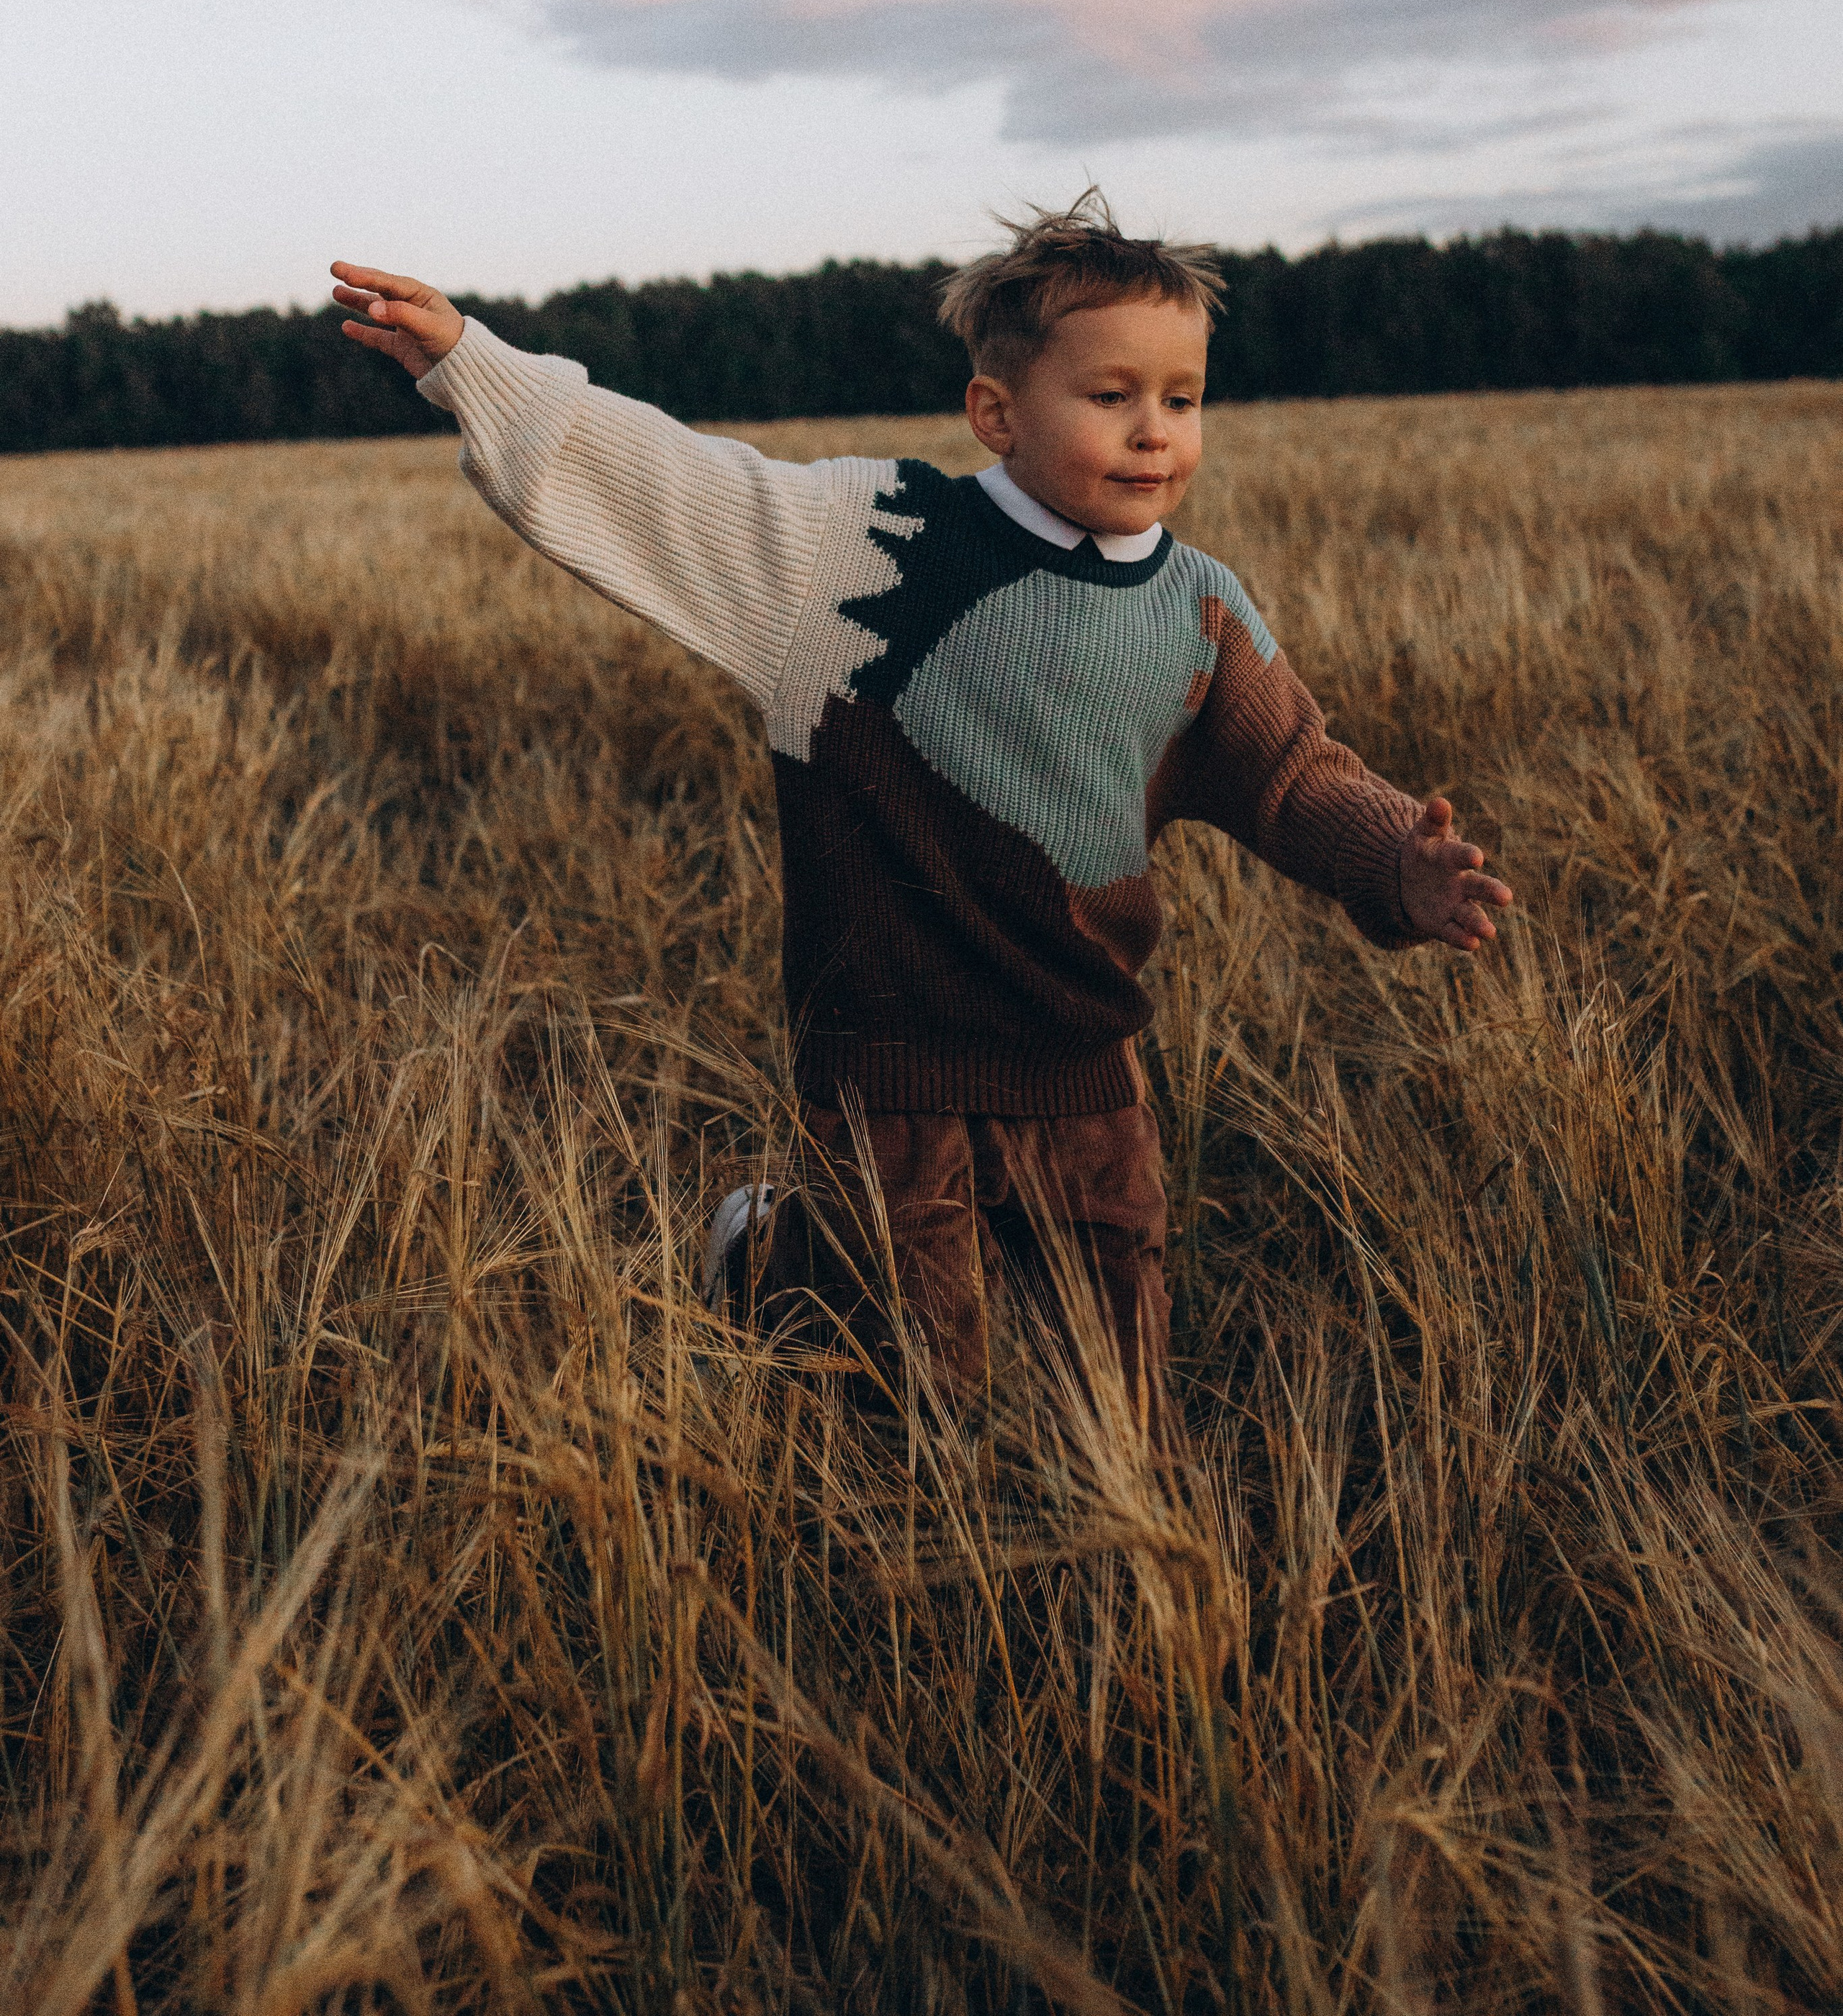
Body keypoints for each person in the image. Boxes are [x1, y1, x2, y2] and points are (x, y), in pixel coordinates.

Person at [330, 198, 1510, 1429]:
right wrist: (478, 366)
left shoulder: (1199, 610)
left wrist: (1396, 860)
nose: (1155, 432)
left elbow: (1293, 775)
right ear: (997, 414)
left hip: (1083, 1051)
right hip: (892, 1052)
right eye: (1111, 396)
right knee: (914, 1392)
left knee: (1119, 1393)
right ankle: (769, 1257)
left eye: (1183, 398)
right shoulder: (868, 547)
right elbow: (673, 482)